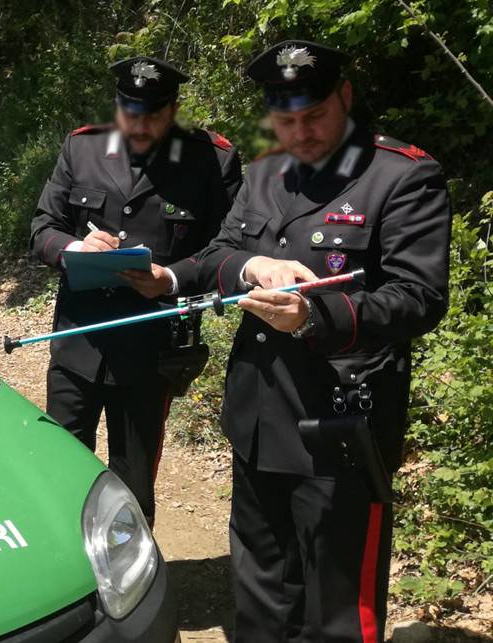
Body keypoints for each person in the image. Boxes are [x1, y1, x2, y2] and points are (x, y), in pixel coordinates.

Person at [126, 40, 450, 641]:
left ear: (345, 98)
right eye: (285, 119)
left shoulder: (402, 177)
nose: (300, 132)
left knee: (337, 610)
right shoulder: (266, 171)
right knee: (260, 596)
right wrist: (251, 268)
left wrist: (312, 318)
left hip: (341, 426)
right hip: (256, 414)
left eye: (315, 116)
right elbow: (221, 253)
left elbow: (418, 297)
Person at [29, 56, 241, 526]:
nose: (139, 125)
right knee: (61, 472)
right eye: (130, 112)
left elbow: (228, 252)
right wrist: (72, 249)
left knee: (133, 486)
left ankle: (132, 581)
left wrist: (170, 278)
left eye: (152, 114)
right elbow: (42, 227)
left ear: (174, 108)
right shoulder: (82, 148)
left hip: (150, 354)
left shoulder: (211, 161)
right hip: (76, 343)